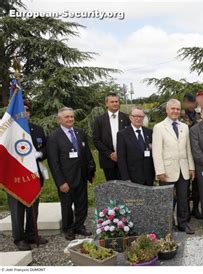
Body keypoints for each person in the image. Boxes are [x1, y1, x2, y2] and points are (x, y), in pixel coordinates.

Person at [47, 107, 95, 240]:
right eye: (66, 117)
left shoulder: (80, 132)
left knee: (82, 203)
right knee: (67, 205)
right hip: (66, 179)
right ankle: (68, 229)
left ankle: (79, 226)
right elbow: (53, 162)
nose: (70, 119)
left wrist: (91, 171)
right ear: (59, 120)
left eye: (72, 116)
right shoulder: (53, 137)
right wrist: (60, 182)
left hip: (81, 175)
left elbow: (87, 154)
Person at [7, 101, 48, 251]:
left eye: (27, 110)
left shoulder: (37, 129)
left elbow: (45, 146)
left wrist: (40, 153)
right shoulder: (8, 131)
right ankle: (19, 238)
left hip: (34, 175)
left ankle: (31, 234)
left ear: (29, 113)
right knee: (17, 209)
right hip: (15, 177)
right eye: (21, 110)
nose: (24, 113)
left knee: (33, 207)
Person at [152, 99, 195, 234]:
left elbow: (188, 149)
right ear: (167, 110)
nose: (175, 111)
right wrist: (159, 171)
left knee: (183, 198)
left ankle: (183, 223)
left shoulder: (184, 127)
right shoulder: (159, 127)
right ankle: (169, 226)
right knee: (168, 200)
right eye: (173, 109)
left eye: (177, 109)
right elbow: (157, 152)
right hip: (167, 170)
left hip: (183, 169)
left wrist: (191, 167)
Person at [92, 93, 130, 181]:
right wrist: (110, 154)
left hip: (124, 159)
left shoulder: (126, 118)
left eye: (116, 101)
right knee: (112, 187)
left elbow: (130, 137)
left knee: (126, 186)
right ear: (106, 104)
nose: (115, 104)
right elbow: (96, 140)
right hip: (108, 160)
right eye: (112, 102)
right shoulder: (99, 120)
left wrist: (121, 153)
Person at [116, 106, 154, 186]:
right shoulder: (122, 134)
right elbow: (121, 159)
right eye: (135, 116)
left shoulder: (149, 132)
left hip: (149, 177)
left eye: (141, 116)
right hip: (132, 178)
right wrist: (126, 179)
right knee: (135, 199)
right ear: (130, 117)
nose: (138, 118)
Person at [180, 93, 201, 219]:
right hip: (185, 154)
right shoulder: (180, 116)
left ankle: (195, 209)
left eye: (193, 103)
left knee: (197, 185)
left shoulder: (199, 116)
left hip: (197, 154)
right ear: (185, 103)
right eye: (188, 103)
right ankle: (186, 210)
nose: (191, 105)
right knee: (185, 186)